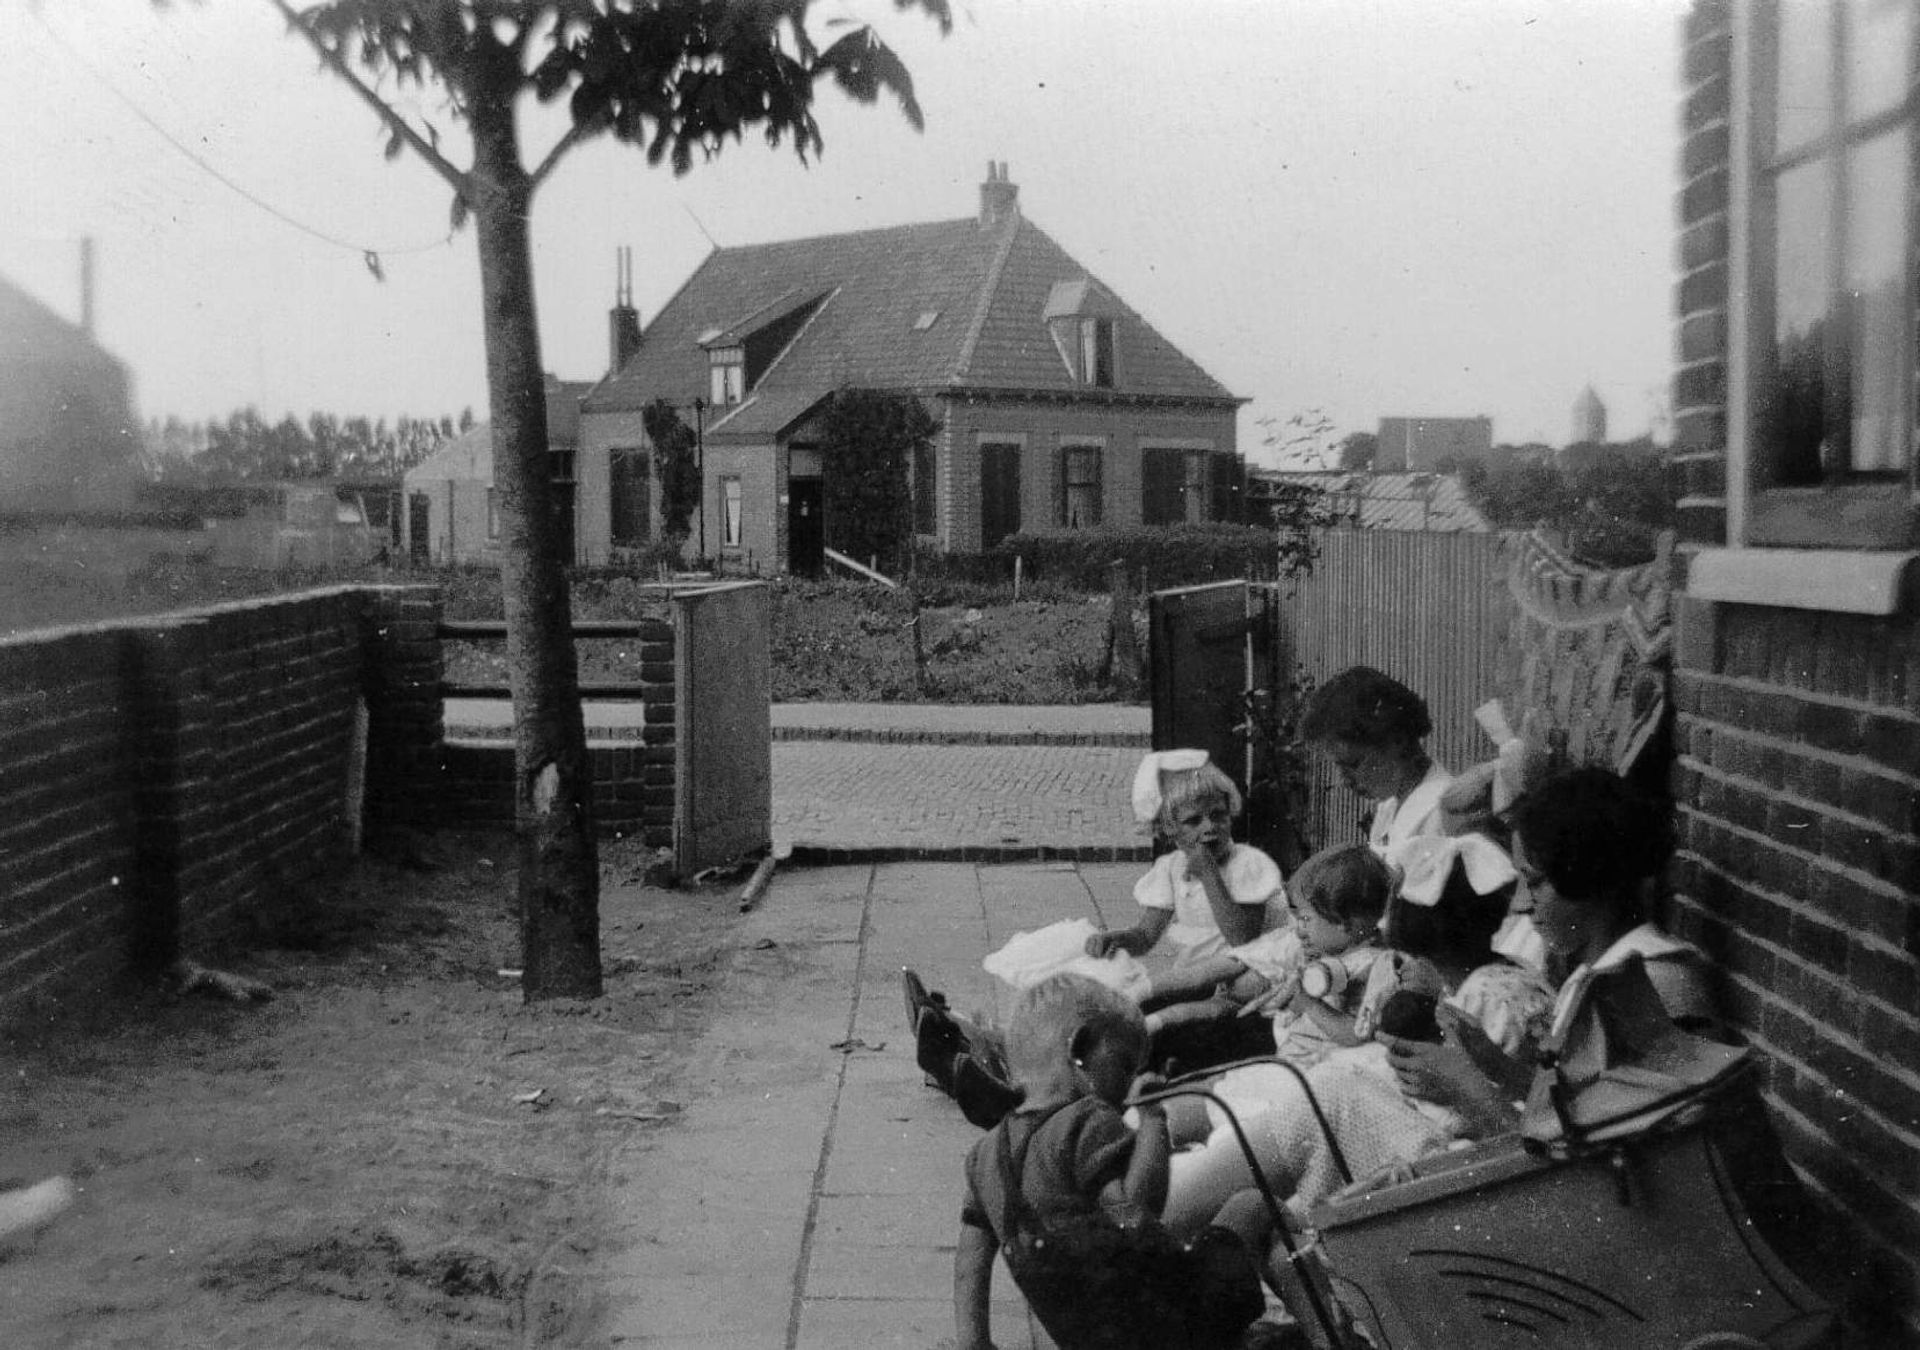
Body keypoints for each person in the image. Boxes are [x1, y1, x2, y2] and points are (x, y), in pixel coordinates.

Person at [1158, 767, 1712, 1237]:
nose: (1521, 902)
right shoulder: (1604, 972)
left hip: (1549, 1210)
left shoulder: (1654, 982)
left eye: (1536, 883)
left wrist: (1468, 1085)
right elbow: (1576, 1107)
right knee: (1339, 1086)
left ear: (1592, 881)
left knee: (1336, 1092)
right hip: (1519, 1170)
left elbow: (1605, 1179)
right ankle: (1173, 1203)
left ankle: (1158, 1210)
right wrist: (1498, 1068)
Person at [951, 973, 1290, 1350]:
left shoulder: (984, 1156)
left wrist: (975, 1344)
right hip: (1168, 1321)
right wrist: (1153, 1122)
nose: (1128, 1085)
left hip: (1089, 1336)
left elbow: (971, 1263)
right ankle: (1330, 1333)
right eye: (1125, 1065)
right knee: (1252, 1204)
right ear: (1079, 1050)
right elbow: (1137, 1212)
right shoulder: (1085, 1120)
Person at [1146, 844, 1394, 1073]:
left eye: (1307, 920)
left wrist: (1309, 1003)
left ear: (1344, 924)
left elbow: (1354, 1033)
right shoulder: (1332, 952)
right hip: (1290, 1047)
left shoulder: (1372, 966)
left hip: (1312, 1067)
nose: (1299, 930)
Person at [1084, 750, 1284, 966]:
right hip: (1204, 970)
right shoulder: (1171, 868)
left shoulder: (1247, 863)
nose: (1209, 827)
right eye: (1193, 821)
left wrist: (1209, 875)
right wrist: (1115, 940)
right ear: (1170, 829)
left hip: (1255, 967)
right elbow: (1145, 936)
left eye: (1218, 815)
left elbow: (1243, 939)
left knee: (1165, 990)